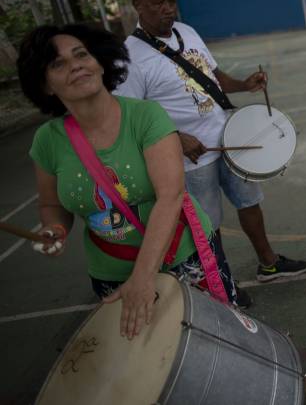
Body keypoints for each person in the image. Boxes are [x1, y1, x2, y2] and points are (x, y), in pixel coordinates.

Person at [17, 24, 241, 339]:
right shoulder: (48, 141)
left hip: (183, 257)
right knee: (147, 367)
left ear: (99, 62)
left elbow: (170, 196)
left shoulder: (146, 116)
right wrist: (55, 228)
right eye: (58, 64)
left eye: (81, 55)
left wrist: (143, 277)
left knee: (218, 347)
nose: (76, 65)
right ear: (45, 86)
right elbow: (51, 204)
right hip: (112, 273)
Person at [115, 0, 306, 289]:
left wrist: (244, 84)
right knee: (207, 225)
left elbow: (213, 76)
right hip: (190, 158)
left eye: (170, 1)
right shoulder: (129, 57)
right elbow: (128, 118)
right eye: (156, 3)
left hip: (227, 139)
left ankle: (269, 264)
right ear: (137, 5)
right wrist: (175, 139)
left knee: (250, 202)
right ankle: (223, 285)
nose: (166, 8)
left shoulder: (187, 31)